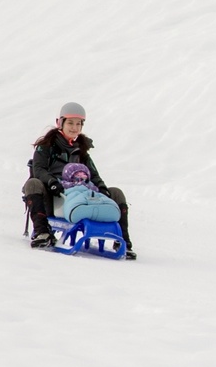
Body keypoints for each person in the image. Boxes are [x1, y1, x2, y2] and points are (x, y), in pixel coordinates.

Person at [22, 102, 136, 259]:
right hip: (56, 197)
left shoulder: (81, 150)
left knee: (116, 193)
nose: (74, 128)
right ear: (59, 123)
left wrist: (102, 189)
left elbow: (94, 175)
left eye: (78, 124)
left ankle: (123, 241)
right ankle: (42, 233)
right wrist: (53, 183)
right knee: (32, 184)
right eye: (70, 123)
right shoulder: (45, 146)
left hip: (81, 196)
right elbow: (39, 170)